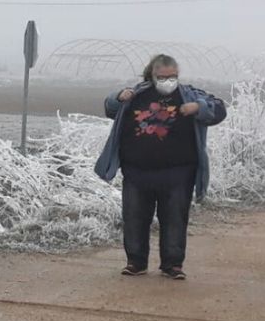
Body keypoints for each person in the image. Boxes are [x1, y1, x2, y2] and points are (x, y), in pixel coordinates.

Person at [95, 53, 227, 280]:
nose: (168, 81)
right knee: (135, 218)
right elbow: (109, 107)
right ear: (152, 75)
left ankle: (172, 264)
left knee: (175, 218)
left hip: (178, 172)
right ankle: (135, 262)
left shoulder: (189, 94)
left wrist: (198, 108)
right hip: (137, 171)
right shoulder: (137, 93)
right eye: (163, 77)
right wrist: (118, 96)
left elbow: (219, 109)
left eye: (173, 76)